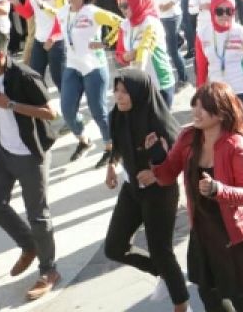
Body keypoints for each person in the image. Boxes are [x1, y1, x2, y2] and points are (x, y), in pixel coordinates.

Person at [141, 82, 243, 312]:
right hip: (203, 230)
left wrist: (218, 189)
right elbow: (166, 176)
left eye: (202, 107)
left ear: (221, 112)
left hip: (233, 232)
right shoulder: (188, 137)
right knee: (209, 296)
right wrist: (157, 156)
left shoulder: (237, 145)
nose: (195, 112)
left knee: (242, 299)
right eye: (194, 105)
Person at [0, 29, 61, 302]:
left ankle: (49, 271)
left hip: (30, 155)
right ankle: (29, 244)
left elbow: (50, 112)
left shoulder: (24, 76)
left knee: (38, 216)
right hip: (4, 151)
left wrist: (11, 104)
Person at [104, 68, 189, 312]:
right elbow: (118, 145)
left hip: (160, 192)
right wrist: (112, 164)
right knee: (114, 248)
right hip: (132, 190)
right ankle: (168, 275)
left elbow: (179, 158)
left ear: (139, 94)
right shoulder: (117, 115)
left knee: (160, 250)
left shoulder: (158, 121)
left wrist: (155, 174)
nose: (118, 96)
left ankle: (181, 304)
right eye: (116, 90)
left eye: (124, 92)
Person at [49, 0, 122, 166]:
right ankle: (84, 141)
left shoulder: (92, 12)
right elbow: (60, 28)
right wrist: (52, 38)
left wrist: (106, 42)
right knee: (66, 110)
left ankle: (110, 146)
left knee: (98, 111)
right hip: (73, 66)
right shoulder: (63, 12)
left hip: (94, 67)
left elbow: (120, 24)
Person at [194, 0, 243, 124]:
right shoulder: (203, 34)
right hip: (217, 95)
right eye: (219, 11)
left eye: (229, 11)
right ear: (212, 12)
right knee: (221, 137)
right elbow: (201, 69)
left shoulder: (242, 32)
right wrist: (200, 97)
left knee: (242, 137)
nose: (225, 15)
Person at [9, 0, 67, 91]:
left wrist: (53, 37)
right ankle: (44, 106)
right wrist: (16, 3)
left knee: (59, 78)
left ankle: (70, 109)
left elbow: (63, 15)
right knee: (35, 76)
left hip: (56, 41)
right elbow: (28, 13)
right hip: (39, 39)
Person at [117, 0, 178, 108]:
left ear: (137, 3)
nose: (123, 10)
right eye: (120, 6)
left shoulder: (151, 23)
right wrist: (125, 56)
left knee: (161, 126)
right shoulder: (124, 25)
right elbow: (119, 53)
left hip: (159, 82)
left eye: (126, 5)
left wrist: (137, 56)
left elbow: (146, 46)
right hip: (139, 83)